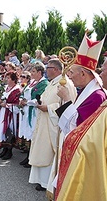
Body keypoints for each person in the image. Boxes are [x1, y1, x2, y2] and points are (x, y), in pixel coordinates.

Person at [55, 59, 107, 201]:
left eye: (72, 72)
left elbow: (80, 127)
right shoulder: (86, 90)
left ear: (83, 73)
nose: (69, 76)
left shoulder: (97, 96)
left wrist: (66, 99)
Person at [28, 59, 77, 192]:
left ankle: (47, 182)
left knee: (49, 151)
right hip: (45, 120)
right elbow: (46, 97)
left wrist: (48, 108)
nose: (45, 70)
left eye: (47, 67)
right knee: (42, 149)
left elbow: (69, 104)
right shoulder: (52, 83)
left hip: (53, 124)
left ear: (55, 69)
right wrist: (39, 102)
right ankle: (42, 180)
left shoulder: (65, 83)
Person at [18, 64, 48, 167]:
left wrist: (27, 102)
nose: (31, 73)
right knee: (28, 133)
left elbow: (39, 99)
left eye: (34, 71)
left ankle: (32, 158)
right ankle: (28, 156)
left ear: (40, 72)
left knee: (33, 133)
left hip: (34, 112)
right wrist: (21, 100)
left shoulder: (44, 83)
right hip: (26, 111)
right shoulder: (31, 82)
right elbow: (23, 92)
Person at [0, 71, 21, 160]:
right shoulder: (5, 88)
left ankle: (9, 151)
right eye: (6, 77)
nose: (6, 79)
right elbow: (0, 97)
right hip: (2, 112)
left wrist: (6, 105)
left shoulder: (17, 89)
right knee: (1, 130)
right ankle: (4, 149)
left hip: (10, 114)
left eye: (9, 78)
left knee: (8, 130)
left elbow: (17, 105)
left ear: (14, 79)